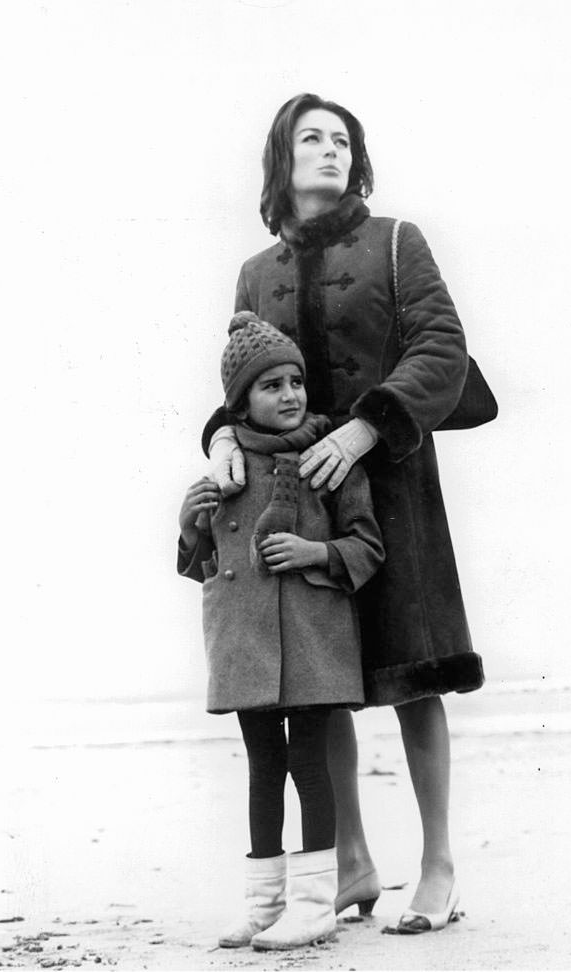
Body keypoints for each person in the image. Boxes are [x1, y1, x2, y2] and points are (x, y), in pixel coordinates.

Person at [204, 92, 488, 934]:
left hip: (393, 485)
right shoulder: (255, 273)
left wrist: (367, 427)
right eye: (311, 139)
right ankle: (354, 863)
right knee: (319, 686)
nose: (329, 151)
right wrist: (221, 435)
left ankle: (438, 866)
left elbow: (444, 348)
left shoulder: (397, 242)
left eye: (341, 140)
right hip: (300, 504)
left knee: (415, 673)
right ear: (281, 159)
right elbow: (241, 380)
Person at [178, 311, 384, 951]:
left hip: (314, 637)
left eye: (296, 381)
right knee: (263, 765)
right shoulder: (225, 467)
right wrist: (189, 527)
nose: (291, 394)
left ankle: (316, 904)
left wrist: (315, 553)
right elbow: (203, 561)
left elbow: (368, 547)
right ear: (241, 401)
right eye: (271, 385)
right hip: (245, 643)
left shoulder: (332, 459)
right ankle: (264, 904)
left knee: (308, 764)